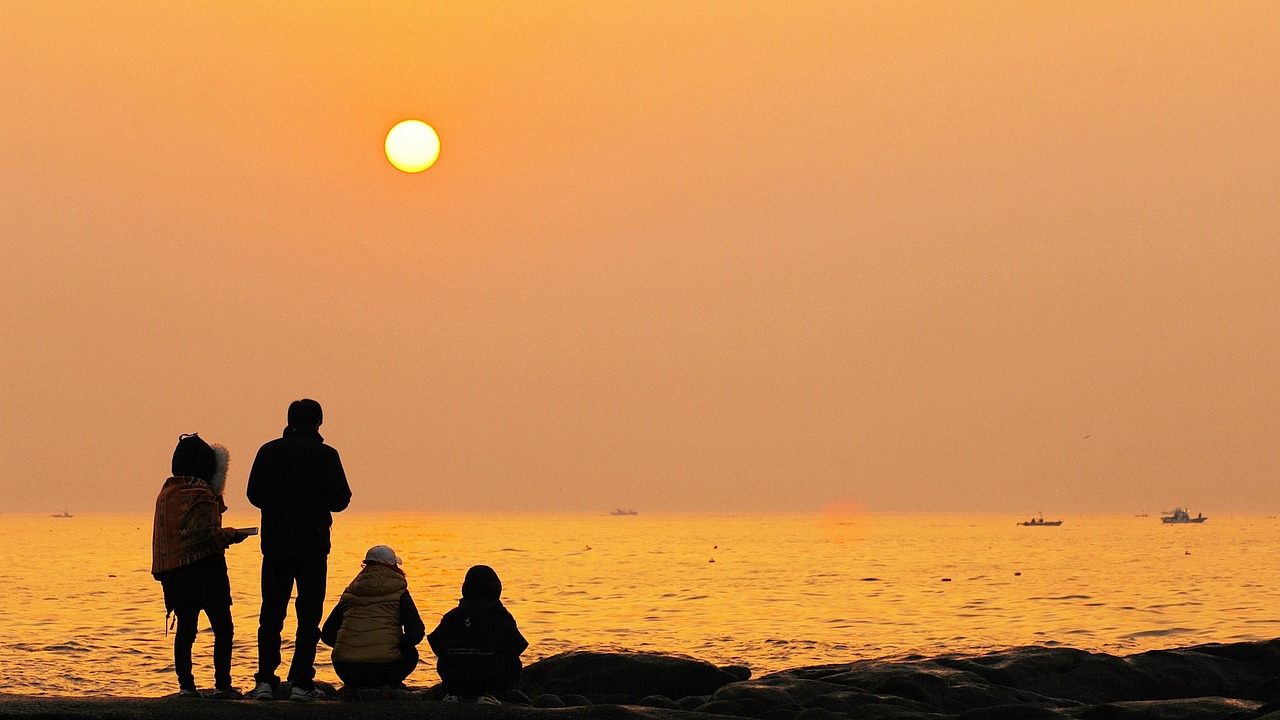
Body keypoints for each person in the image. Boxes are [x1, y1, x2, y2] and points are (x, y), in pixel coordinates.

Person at [247, 399, 352, 701]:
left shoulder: (268, 452)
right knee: (308, 617)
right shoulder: (326, 455)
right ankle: (301, 683)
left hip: (276, 545)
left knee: (270, 615)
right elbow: (341, 499)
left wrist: (278, 504)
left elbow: (254, 494)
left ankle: (265, 680)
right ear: (319, 422)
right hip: (313, 546)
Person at [151, 433, 252, 699]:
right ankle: (223, 686)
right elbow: (208, 535)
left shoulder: (166, 493)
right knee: (223, 628)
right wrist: (233, 534)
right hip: (206, 572)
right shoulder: (202, 493)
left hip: (175, 574)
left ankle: (186, 686)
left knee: (186, 630)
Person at [321, 545, 425, 698]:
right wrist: (396, 643)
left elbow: (327, 634)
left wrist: (351, 645)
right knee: (411, 653)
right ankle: (389, 686)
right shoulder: (400, 592)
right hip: (384, 670)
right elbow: (416, 633)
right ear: (393, 566)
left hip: (346, 670)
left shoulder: (350, 592)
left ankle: (353, 687)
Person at [427, 565, 528, 704]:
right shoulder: (501, 617)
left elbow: (436, 644)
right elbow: (518, 646)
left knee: (447, 658)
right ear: (496, 588)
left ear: (465, 588)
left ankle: (455, 693)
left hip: (454, 677)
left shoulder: (453, 616)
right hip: (490, 678)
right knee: (514, 662)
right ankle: (490, 694)